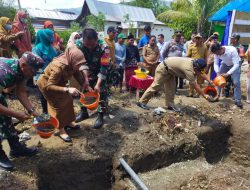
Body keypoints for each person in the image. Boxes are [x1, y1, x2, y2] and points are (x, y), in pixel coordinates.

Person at [0, 52, 44, 171]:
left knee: (5, 117)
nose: (33, 75)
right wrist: (16, 114)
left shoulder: (22, 71)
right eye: (33, 71)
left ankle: (16, 148)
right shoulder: (3, 73)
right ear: (24, 65)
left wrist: (32, 111)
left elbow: (21, 92)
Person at [37, 46, 86, 142]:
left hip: (59, 83)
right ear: (72, 60)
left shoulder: (72, 62)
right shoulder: (58, 67)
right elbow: (49, 86)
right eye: (78, 64)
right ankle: (61, 130)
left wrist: (84, 84)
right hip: (47, 84)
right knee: (57, 106)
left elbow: (76, 73)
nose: (79, 67)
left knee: (68, 100)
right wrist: (67, 89)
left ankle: (68, 123)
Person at [137, 57, 213, 110]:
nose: (199, 73)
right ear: (196, 68)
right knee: (156, 86)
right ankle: (141, 102)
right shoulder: (188, 69)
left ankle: (170, 104)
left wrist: (210, 81)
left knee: (171, 88)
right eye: (198, 71)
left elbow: (202, 73)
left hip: (170, 70)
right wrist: (204, 95)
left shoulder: (194, 62)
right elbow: (195, 85)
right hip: (163, 69)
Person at [75, 28, 111, 129]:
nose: (90, 47)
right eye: (87, 45)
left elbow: (104, 67)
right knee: (83, 91)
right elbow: (81, 63)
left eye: (92, 45)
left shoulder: (105, 48)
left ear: (97, 39)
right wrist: (85, 79)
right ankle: (84, 113)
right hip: (85, 71)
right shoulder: (78, 45)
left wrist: (98, 84)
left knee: (102, 94)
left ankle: (100, 116)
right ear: (83, 41)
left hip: (100, 72)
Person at [32, 29, 58, 114]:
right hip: (41, 76)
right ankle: (45, 112)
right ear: (45, 37)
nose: (52, 38)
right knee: (44, 95)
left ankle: (53, 112)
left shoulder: (52, 48)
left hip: (52, 74)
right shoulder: (36, 49)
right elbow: (35, 66)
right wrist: (44, 74)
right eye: (50, 36)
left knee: (52, 95)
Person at [211, 42, 243, 108]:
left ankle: (238, 100)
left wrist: (228, 73)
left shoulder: (232, 50)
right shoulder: (216, 53)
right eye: (216, 54)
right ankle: (217, 96)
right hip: (225, 64)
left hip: (235, 65)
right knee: (218, 79)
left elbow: (236, 64)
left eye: (217, 53)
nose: (217, 55)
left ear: (221, 49)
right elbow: (216, 63)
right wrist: (217, 72)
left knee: (236, 82)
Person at [187, 33, 208, 97]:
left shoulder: (204, 47)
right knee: (191, 79)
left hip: (201, 66)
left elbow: (206, 57)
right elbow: (188, 56)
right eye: (196, 38)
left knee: (200, 81)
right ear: (195, 39)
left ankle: (198, 93)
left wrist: (206, 66)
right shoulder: (191, 46)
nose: (197, 39)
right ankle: (190, 93)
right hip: (192, 65)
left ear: (201, 39)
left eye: (199, 38)